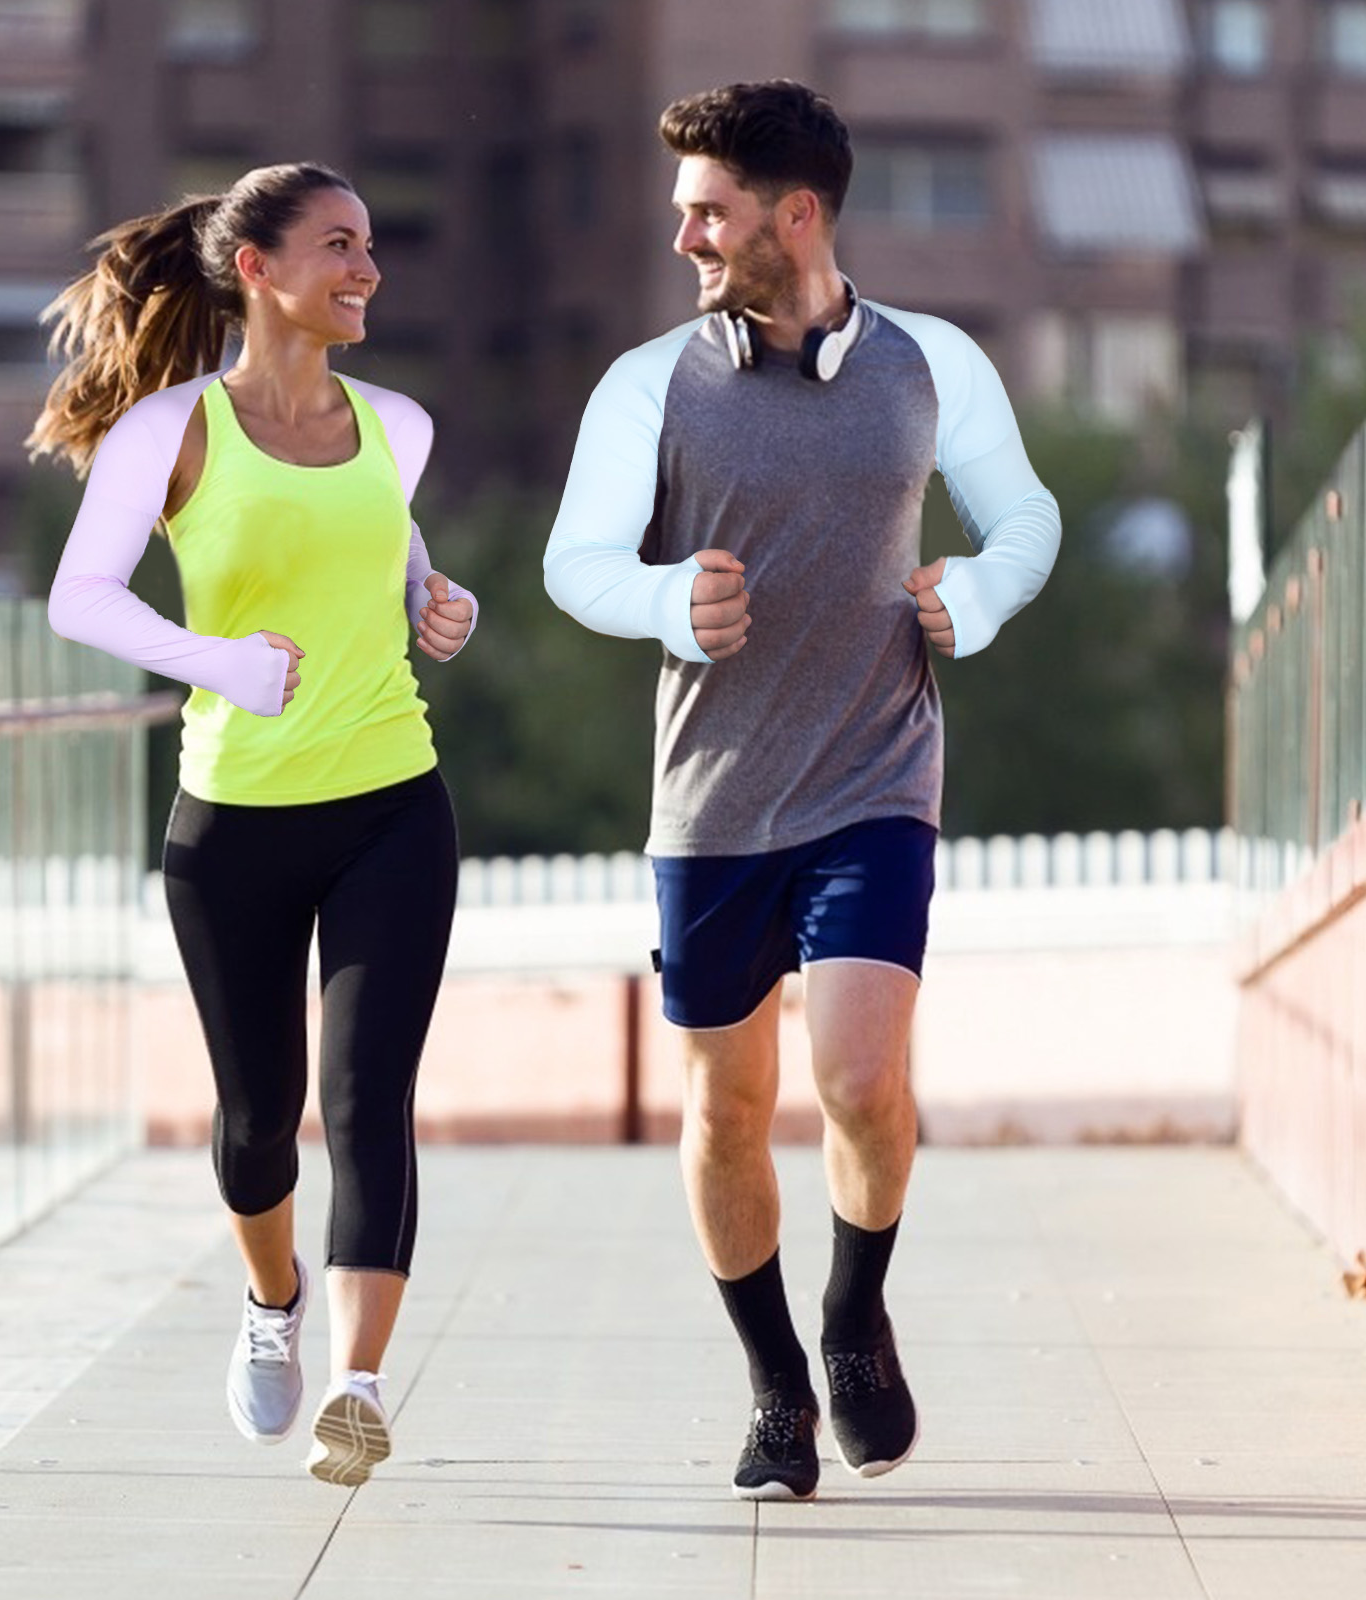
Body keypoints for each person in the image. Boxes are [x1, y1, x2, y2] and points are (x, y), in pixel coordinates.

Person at [544, 82, 1060, 1502]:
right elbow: (575, 563)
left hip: (877, 775)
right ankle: (775, 1386)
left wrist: (980, 595)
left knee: (861, 1080)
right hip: (711, 801)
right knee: (725, 1108)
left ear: (797, 214)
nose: (685, 237)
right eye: (683, 213)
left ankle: (852, 1318)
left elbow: (1024, 515)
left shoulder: (932, 361)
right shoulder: (646, 385)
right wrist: (663, 601)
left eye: (709, 213)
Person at [32, 162, 477, 1487]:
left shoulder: (398, 425)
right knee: (259, 1117)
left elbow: (390, 555)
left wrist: (437, 600)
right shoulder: (167, 432)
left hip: (393, 801)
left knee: (369, 1096)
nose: (366, 270)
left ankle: (357, 1385)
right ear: (258, 270)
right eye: (338, 245)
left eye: (371, 246)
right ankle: (272, 1301)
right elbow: (80, 596)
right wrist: (215, 661)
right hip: (232, 823)